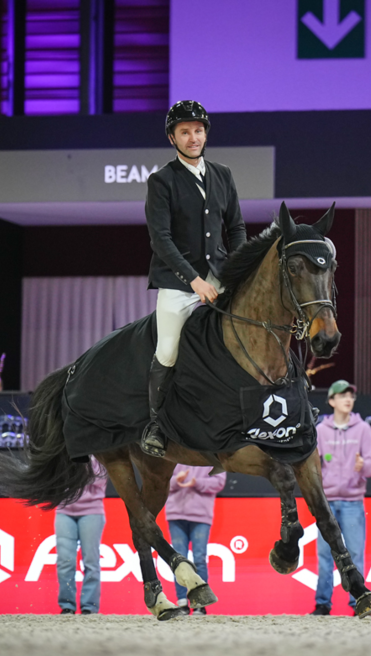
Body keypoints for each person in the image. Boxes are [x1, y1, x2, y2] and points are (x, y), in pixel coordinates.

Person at [140, 100, 247, 457]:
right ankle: (155, 424)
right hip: (176, 282)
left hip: (219, 276)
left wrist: (237, 270)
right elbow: (161, 239)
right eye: (185, 131)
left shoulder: (223, 174)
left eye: (198, 130)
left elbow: (236, 226)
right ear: (172, 137)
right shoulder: (162, 181)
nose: (193, 137)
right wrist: (194, 281)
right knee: (168, 349)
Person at [311, 380, 371, 616]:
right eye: (342, 396)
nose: (348, 399)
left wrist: (363, 465)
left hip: (352, 501)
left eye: (350, 395)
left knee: (355, 553)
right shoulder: (320, 430)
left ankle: (357, 601)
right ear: (331, 401)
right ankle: (322, 604)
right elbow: (313, 467)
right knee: (324, 554)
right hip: (326, 504)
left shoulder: (363, 429)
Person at [166, 463, 226, 614]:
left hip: (201, 515)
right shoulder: (174, 455)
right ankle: (182, 602)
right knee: (178, 559)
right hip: (176, 514)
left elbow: (219, 482)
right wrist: (175, 480)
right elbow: (160, 480)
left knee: (199, 558)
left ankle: (200, 602)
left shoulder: (210, 456)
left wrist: (196, 482)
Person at [55, 458, 108, 615]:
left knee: (91, 561)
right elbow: (55, 478)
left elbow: (99, 479)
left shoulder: (99, 455)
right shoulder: (63, 453)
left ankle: (89, 607)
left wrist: (73, 474)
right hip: (64, 510)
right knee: (65, 560)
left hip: (92, 510)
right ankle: (67, 605)